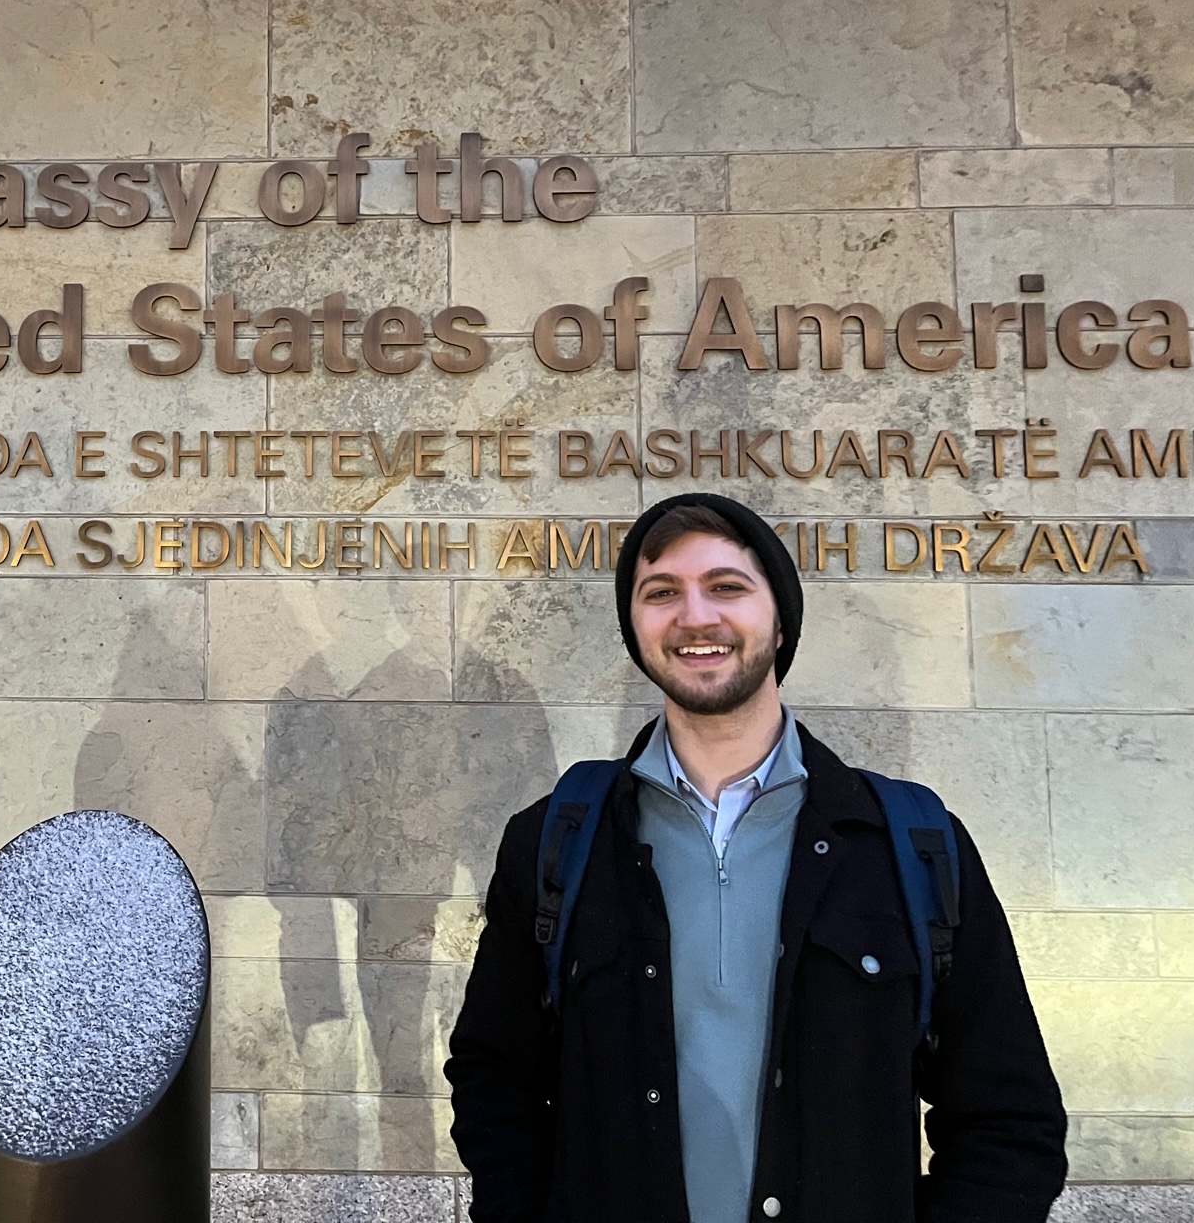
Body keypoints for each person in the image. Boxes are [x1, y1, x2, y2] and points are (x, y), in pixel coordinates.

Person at [445, 492, 1067, 1223]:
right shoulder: (555, 840)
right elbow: (495, 1080)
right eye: (661, 593)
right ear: (635, 625)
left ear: (780, 622)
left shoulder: (913, 843)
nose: (695, 616)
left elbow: (1008, 1116)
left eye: (728, 587)